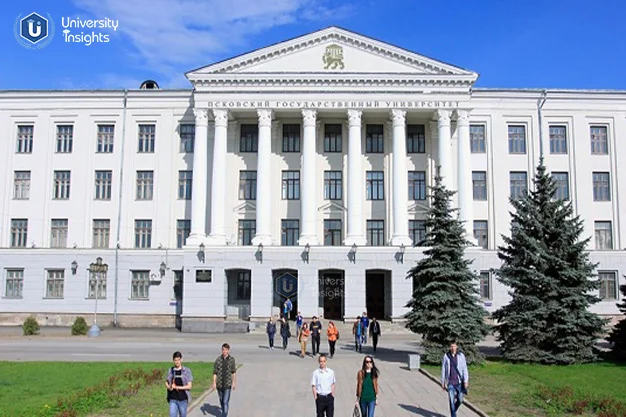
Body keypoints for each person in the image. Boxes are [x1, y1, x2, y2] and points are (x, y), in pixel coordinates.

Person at [441, 341, 469, 417]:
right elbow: (444, 369)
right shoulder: (446, 356)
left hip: (459, 382)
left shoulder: (461, 356)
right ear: (449, 347)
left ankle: (454, 410)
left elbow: (464, 368)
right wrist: (443, 382)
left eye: (454, 346)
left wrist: (466, 380)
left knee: (460, 400)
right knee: (451, 401)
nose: (453, 348)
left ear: (457, 347)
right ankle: (453, 415)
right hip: (450, 383)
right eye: (451, 346)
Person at [165, 351, 193, 417]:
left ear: (181, 360)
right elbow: (166, 382)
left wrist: (177, 387)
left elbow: (189, 386)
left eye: (178, 360)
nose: (177, 362)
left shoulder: (186, 371)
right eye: (175, 360)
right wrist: (169, 387)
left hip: (183, 399)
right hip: (173, 399)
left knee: (183, 415)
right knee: (172, 415)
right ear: (173, 361)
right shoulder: (171, 370)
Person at [212, 343, 237, 417]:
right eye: (223, 350)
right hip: (219, 384)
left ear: (228, 350)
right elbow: (215, 372)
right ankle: (224, 411)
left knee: (225, 401)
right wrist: (214, 383)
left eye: (226, 350)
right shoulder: (218, 360)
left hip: (227, 384)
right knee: (222, 401)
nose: (224, 351)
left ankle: (224, 415)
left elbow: (233, 372)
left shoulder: (231, 360)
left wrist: (234, 382)